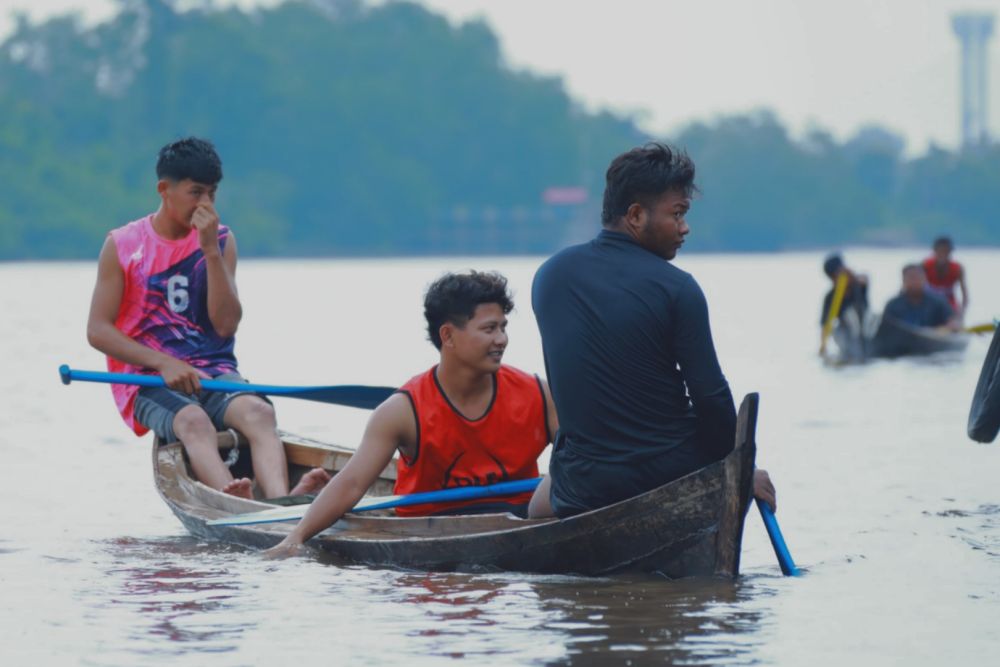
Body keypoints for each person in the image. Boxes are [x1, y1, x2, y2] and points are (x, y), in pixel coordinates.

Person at [527, 142, 776, 520]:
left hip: (582, 485)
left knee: (538, 507)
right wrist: (740, 471)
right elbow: (711, 399)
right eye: (677, 214)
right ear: (636, 215)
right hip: (666, 473)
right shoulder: (678, 288)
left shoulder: (550, 275)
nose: (684, 227)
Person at [86, 137, 329, 499]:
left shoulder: (222, 241)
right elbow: (98, 330)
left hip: (214, 374)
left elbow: (226, 325)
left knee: (260, 414)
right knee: (193, 420)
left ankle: (280, 501)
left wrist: (210, 251)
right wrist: (164, 362)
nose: (206, 205)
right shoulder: (123, 245)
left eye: (212, 194)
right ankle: (233, 500)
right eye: (195, 193)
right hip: (149, 380)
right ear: (164, 190)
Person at [265, 271, 558, 557]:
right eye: (489, 329)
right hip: (430, 528)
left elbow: (579, 456)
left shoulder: (539, 394)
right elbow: (352, 483)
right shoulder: (402, 411)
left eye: (503, 327)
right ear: (448, 335)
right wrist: (295, 538)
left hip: (521, 518)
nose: (502, 339)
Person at [883, 264, 959, 330]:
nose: (915, 281)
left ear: (925, 279)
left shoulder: (938, 302)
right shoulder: (893, 305)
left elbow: (952, 321)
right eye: (911, 278)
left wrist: (951, 326)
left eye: (918, 277)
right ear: (903, 280)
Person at [922, 236, 968, 316]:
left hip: (949, 306)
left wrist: (962, 312)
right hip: (928, 305)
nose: (943, 255)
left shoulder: (957, 269)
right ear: (934, 251)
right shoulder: (925, 266)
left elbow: (964, 294)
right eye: (940, 251)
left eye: (946, 251)